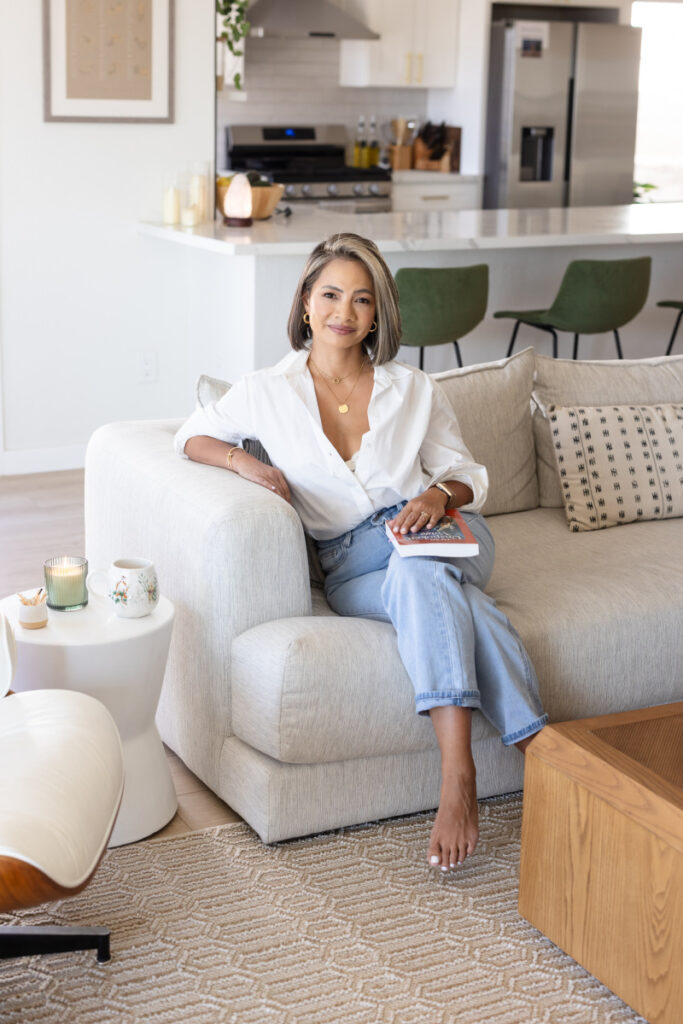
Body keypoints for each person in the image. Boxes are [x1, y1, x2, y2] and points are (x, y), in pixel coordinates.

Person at [175, 232, 548, 873]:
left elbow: (469, 476)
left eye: (361, 299)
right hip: (352, 564)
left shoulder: (414, 388)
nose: (343, 311)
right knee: (446, 599)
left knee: (419, 568)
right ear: (304, 302)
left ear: (379, 313)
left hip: (445, 534)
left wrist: (437, 494)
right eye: (329, 294)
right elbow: (192, 435)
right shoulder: (267, 389)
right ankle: (543, 753)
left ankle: (456, 776)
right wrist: (247, 465)